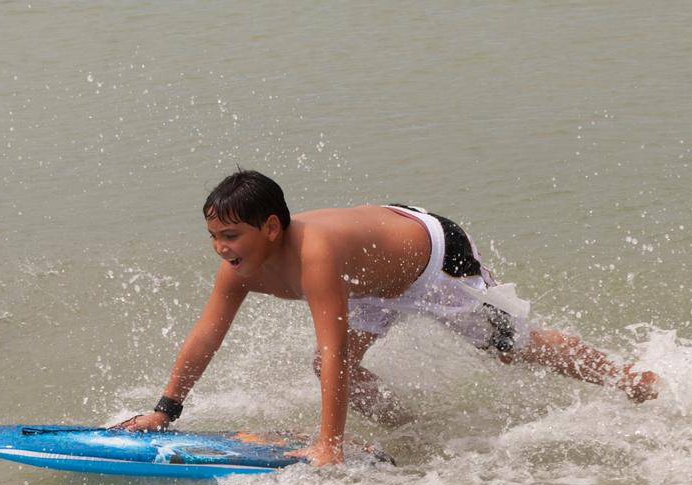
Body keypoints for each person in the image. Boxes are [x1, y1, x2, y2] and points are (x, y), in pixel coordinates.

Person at [116, 170, 659, 465]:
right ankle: (417, 431)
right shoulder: (238, 267)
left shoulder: (315, 258)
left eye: (230, 236)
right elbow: (205, 337)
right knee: (337, 368)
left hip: (432, 260)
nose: (220, 249)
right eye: (213, 237)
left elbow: (330, 345)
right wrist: (166, 410)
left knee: (512, 348)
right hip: (370, 278)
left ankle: (630, 379)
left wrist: (327, 445)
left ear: (273, 228)